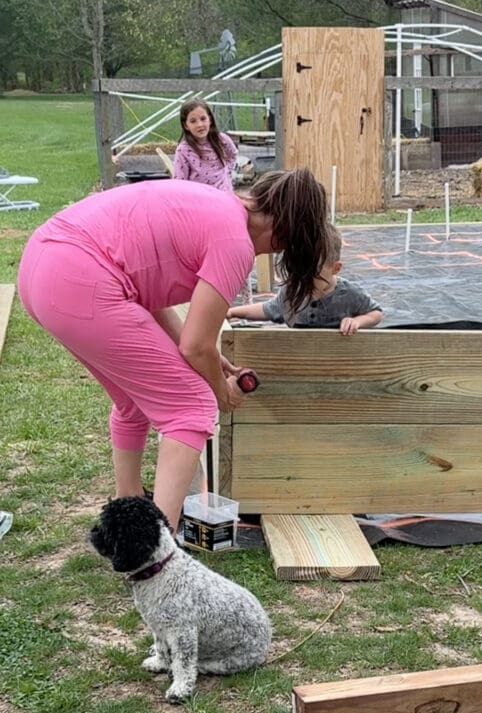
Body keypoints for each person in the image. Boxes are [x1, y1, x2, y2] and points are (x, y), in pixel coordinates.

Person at [17, 168, 329, 534]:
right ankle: (156, 549)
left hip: (43, 268)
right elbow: (196, 347)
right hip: (79, 278)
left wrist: (212, 360)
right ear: (286, 233)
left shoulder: (216, 207)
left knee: (134, 399)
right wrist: (218, 389)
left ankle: (128, 506)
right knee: (191, 404)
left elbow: (152, 298)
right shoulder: (235, 242)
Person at [227, 223, 383, 335]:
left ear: (336, 268)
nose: (305, 283)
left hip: (338, 360)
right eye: (299, 275)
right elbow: (268, 309)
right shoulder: (292, 292)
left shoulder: (350, 294)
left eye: (313, 276)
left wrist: (358, 321)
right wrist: (232, 312)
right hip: (302, 359)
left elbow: (375, 313)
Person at [173, 99, 238, 192]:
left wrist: (226, 173)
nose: (199, 125)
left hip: (224, 195)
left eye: (203, 119)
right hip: (200, 199)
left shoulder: (222, 139)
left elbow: (233, 154)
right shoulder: (183, 150)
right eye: (193, 121)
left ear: (210, 119)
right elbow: (180, 182)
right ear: (186, 125)